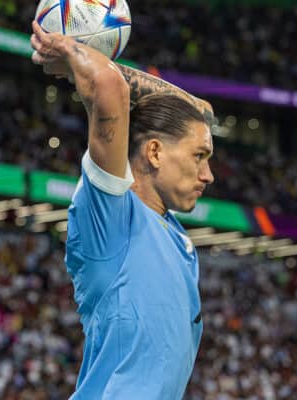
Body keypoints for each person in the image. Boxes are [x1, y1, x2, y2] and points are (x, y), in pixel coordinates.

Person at [31, 20, 215, 399]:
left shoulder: (177, 238)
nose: (208, 174)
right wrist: (70, 51)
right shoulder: (110, 215)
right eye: (199, 156)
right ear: (154, 152)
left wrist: (191, 108)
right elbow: (109, 88)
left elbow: (201, 110)